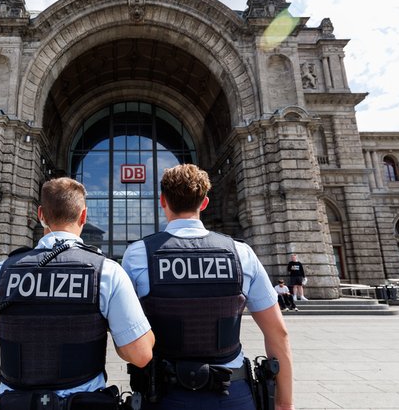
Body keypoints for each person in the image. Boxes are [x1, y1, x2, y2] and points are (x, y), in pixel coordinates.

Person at [0, 177, 154, 409]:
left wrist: (4, 326)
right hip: (83, 403)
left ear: (41, 215)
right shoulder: (107, 272)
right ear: (84, 216)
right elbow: (141, 354)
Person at [122, 164, 293, 410]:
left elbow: (128, 335)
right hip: (232, 394)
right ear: (204, 203)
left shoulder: (138, 254)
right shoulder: (241, 253)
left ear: (162, 201)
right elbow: (278, 333)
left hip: (164, 394)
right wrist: (285, 403)